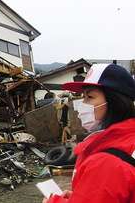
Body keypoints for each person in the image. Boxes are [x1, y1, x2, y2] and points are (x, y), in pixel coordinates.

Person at [43, 63, 135, 203]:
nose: (83, 103)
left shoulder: (105, 162)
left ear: (115, 102)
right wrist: (83, 193)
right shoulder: (127, 139)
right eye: (83, 96)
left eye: (90, 97)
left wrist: (54, 201)